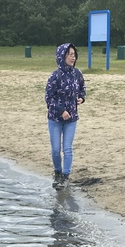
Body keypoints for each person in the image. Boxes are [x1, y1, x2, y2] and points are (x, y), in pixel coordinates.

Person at [45, 43, 86, 189]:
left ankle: (65, 176)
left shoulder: (77, 74)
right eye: (70, 54)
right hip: (55, 119)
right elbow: (49, 98)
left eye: (74, 54)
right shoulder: (55, 76)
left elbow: (82, 88)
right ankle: (57, 172)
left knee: (67, 148)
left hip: (72, 119)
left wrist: (82, 97)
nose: (73, 57)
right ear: (62, 56)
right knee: (56, 149)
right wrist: (61, 110)